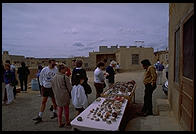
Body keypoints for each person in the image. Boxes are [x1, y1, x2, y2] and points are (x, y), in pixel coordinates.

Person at [33, 59, 58, 124]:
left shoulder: (56, 69)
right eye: (53, 64)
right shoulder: (45, 69)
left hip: (52, 88)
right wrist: (42, 85)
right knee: (43, 101)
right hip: (45, 87)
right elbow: (40, 77)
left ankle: (54, 112)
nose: (54, 65)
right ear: (49, 63)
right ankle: (40, 116)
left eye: (54, 64)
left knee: (54, 101)